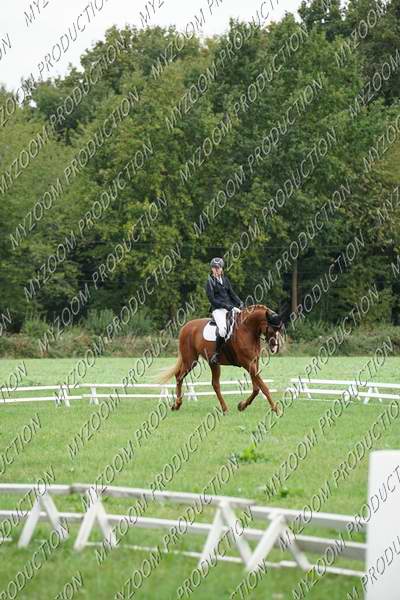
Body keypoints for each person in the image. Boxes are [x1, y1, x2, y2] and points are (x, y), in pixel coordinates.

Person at [205, 257, 243, 365]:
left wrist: (240, 302)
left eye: (218, 268)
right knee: (222, 331)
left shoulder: (225, 280)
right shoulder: (209, 282)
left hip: (229, 308)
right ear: (212, 269)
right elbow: (213, 300)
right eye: (214, 268)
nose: (216, 269)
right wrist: (229, 307)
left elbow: (232, 294)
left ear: (222, 269)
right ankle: (216, 354)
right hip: (218, 310)